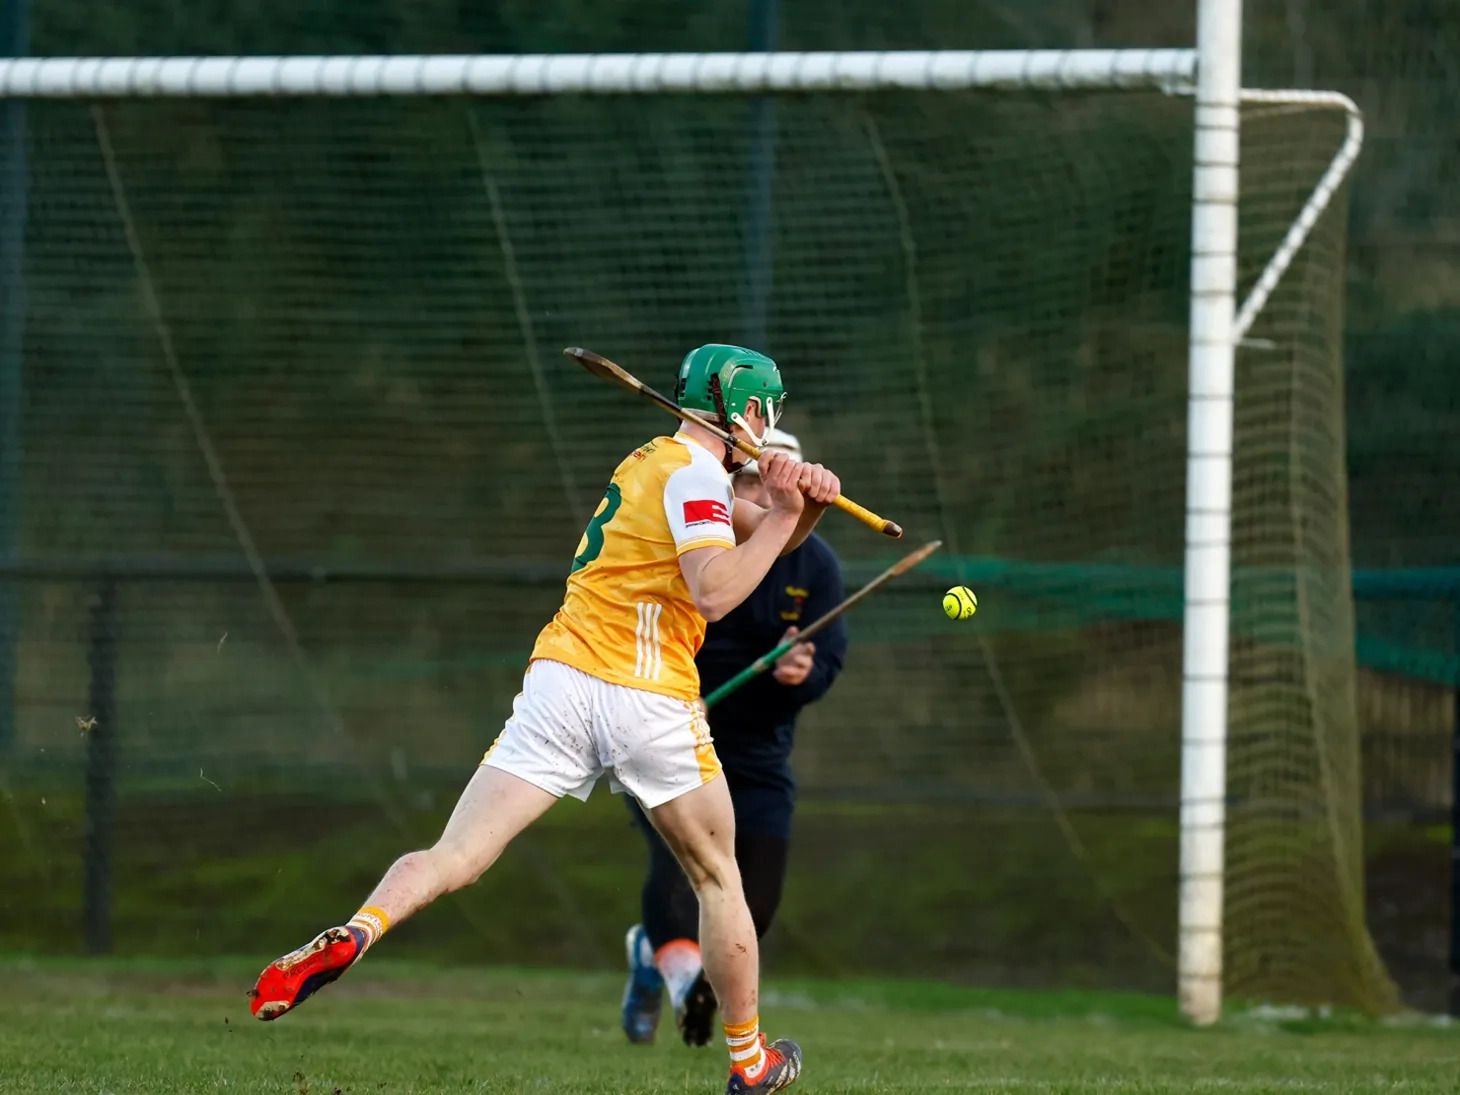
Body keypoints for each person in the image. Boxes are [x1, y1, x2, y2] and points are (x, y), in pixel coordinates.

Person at [249, 344, 839, 1095]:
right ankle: (751, 1063)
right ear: (746, 409)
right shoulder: (696, 476)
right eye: (766, 410)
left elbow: (766, 531)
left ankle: (361, 928)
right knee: (719, 876)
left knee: (455, 855)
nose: (768, 423)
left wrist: (804, 506)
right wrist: (784, 511)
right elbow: (717, 591)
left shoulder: (652, 464)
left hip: (560, 682)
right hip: (649, 694)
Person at [620, 429, 848, 1048]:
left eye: (782, 482)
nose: (768, 494)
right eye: (753, 481)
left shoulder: (816, 565)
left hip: (759, 755)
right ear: (730, 485)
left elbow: (827, 658)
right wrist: (668, 692)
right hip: (670, 736)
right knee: (680, 876)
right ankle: (680, 977)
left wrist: (801, 673)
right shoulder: (693, 537)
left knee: (757, 902)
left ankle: (667, 967)